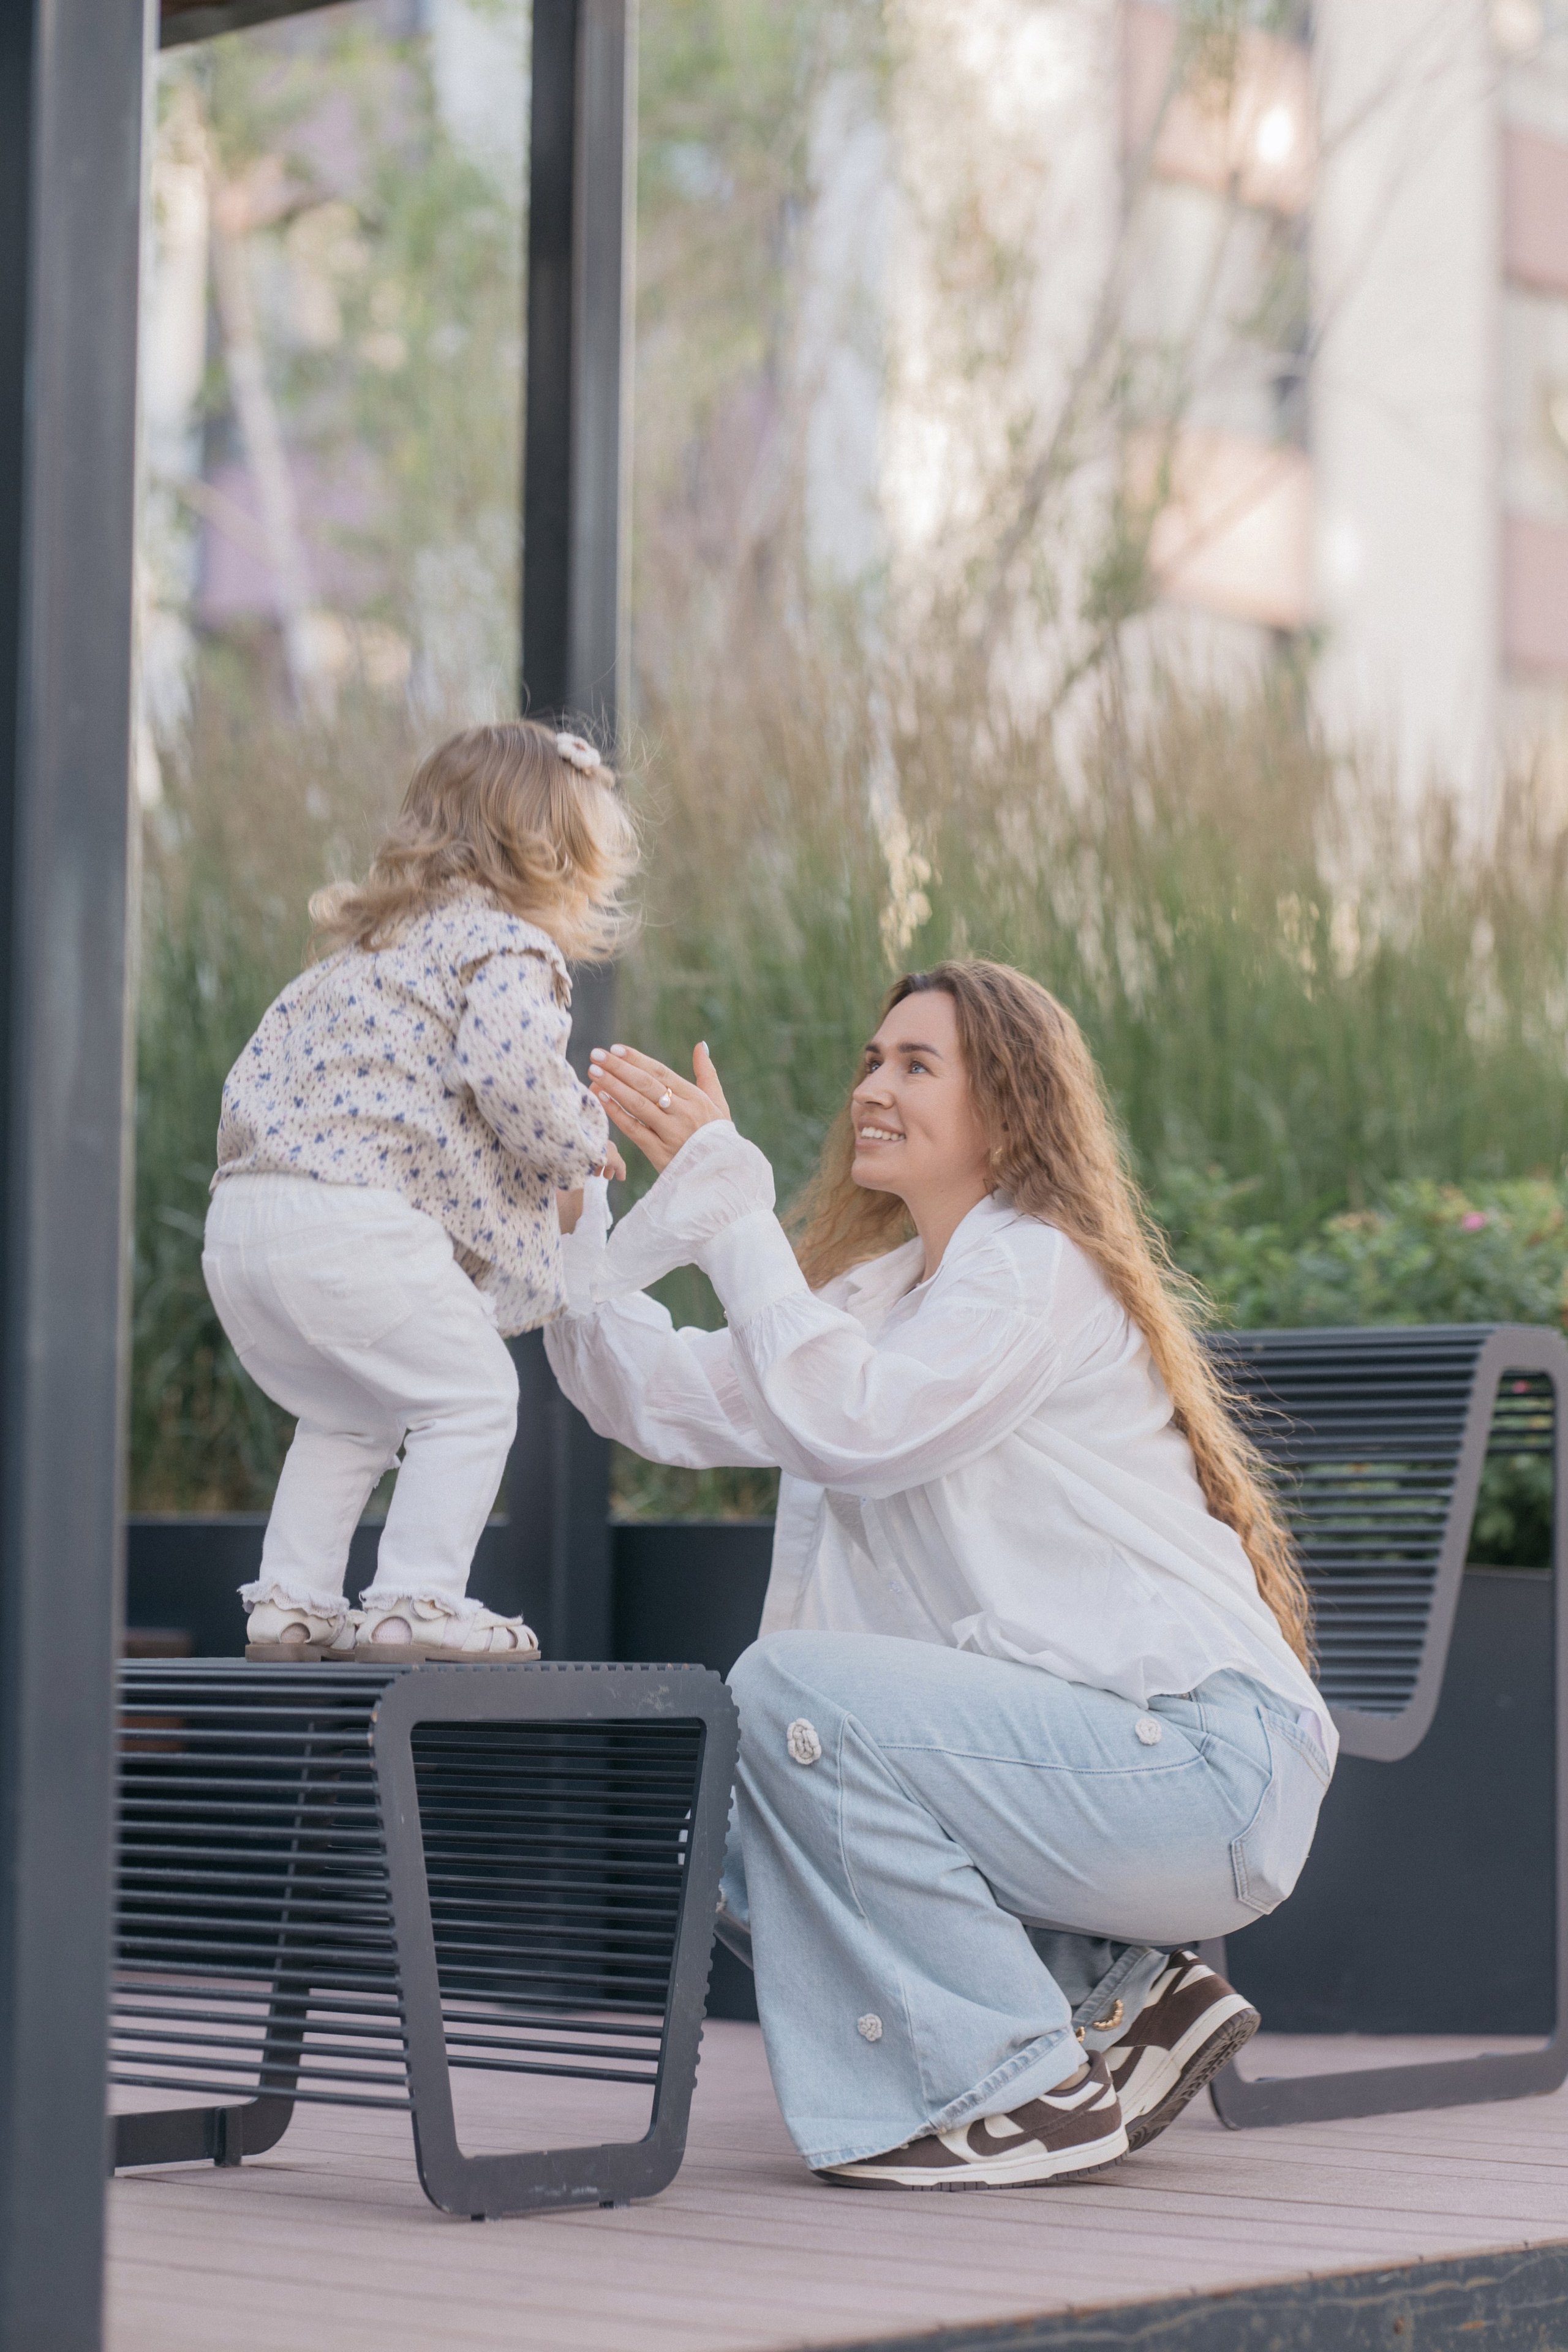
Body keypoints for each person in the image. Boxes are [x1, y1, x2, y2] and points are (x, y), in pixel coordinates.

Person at [546, 959, 1335, 2190]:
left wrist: (738, 1221)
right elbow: (648, 1397)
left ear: (1008, 1109)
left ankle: (1017, 2086)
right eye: (870, 1060)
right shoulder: (877, 1301)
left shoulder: (1032, 1270)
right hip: (1093, 1774)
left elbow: (849, 1423)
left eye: (917, 1064)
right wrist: (574, 1219)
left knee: (785, 1692)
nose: (875, 1084)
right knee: (741, 1820)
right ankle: (1113, 1997)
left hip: (1201, 1769)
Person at [203, 719, 633, 1664]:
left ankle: (290, 1603)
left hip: (243, 1224)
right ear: (556, 858)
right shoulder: (507, 948)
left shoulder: (364, 951)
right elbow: (510, 1069)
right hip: (352, 1224)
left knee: (356, 1409)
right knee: (475, 1396)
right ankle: (414, 1604)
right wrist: (582, 1141)